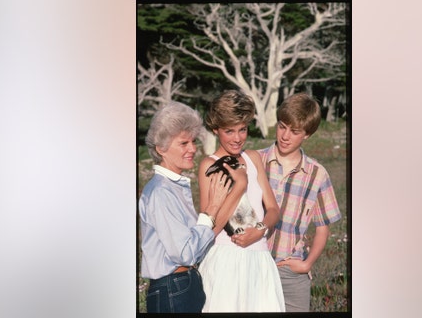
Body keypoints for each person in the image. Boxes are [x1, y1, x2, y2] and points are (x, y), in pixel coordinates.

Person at [139, 101, 248, 313]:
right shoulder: (161, 192)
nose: (192, 149)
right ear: (161, 148)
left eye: (193, 141)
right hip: (173, 287)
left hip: (184, 285)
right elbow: (186, 253)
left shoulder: (173, 187)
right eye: (183, 143)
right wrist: (212, 208)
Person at [197, 90, 285, 312]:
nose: (237, 138)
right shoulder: (209, 165)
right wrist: (239, 186)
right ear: (216, 130)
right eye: (229, 131)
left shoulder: (253, 158)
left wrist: (260, 230)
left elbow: (273, 209)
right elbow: (210, 228)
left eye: (242, 129)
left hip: (260, 258)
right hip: (226, 260)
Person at [257, 93, 342, 312]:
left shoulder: (317, 174)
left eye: (295, 132)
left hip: (290, 269)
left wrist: (307, 263)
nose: (285, 136)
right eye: (282, 126)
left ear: (307, 135)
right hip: (253, 263)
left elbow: (323, 228)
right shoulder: (255, 160)